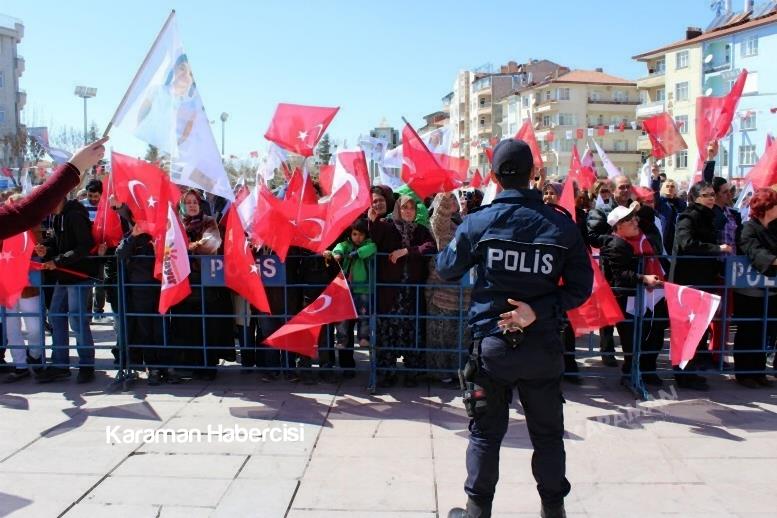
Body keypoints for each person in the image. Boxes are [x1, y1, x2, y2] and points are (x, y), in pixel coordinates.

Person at [439, 138, 593, 518]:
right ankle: (553, 510)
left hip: (492, 347)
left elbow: (446, 269)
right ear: (533, 174)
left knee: (485, 435)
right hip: (542, 347)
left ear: (493, 176)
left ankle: (478, 511)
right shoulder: (560, 224)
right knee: (548, 436)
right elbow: (580, 288)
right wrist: (537, 311)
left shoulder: (480, 221)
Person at [600, 202, 668, 389]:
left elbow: (648, 216)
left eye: (634, 217)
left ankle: (649, 371)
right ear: (618, 226)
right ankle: (631, 373)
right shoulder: (615, 244)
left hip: (655, 294)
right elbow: (620, 275)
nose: (635, 221)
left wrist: (637, 208)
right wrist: (643, 278)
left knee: (654, 334)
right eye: (629, 220)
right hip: (629, 297)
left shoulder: (644, 236)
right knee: (632, 340)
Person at [370, 195, 436, 388]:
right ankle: (387, 373)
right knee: (388, 330)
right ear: (397, 208)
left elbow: (430, 247)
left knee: (412, 330)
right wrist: (373, 220)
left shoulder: (421, 230)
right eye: (404, 207)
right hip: (390, 292)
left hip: (412, 292)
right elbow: (373, 235)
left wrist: (407, 251)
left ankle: (411, 373)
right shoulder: (388, 226)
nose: (408, 211)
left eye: (412, 208)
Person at [671, 181, 732, 390]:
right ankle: (684, 374)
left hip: (703, 278)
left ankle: (691, 371)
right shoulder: (689, 217)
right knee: (688, 329)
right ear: (695, 198)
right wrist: (717, 248)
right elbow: (686, 243)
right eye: (705, 195)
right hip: (689, 280)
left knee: (699, 328)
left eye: (712, 194)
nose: (711, 198)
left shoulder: (709, 216)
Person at [35, 192, 98, 383]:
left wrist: (58, 260)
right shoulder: (57, 217)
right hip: (64, 276)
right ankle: (60, 364)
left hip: (78, 275)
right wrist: (47, 249)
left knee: (77, 321)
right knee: (55, 315)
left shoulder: (75, 216)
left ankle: (86, 364)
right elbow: (57, 243)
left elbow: (85, 245)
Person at [0, 137, 107, 240]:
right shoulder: (58, 216)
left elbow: (26, 212)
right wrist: (74, 166)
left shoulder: (74, 215)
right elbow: (26, 213)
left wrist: (74, 166)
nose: (48, 208)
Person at [587, 175, 634, 367]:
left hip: (633, 266)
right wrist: (618, 240)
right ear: (613, 190)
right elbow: (593, 237)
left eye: (628, 186)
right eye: (621, 187)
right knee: (607, 313)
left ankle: (630, 360)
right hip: (609, 268)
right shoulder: (602, 209)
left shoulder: (636, 208)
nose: (625, 190)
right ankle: (607, 350)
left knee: (629, 316)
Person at [732, 188, 777, 388]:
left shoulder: (775, 228)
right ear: (766, 208)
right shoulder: (747, 228)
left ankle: (759, 371)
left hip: (772, 289)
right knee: (748, 329)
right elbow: (753, 251)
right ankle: (744, 373)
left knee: (765, 330)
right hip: (749, 290)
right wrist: (773, 261)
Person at [426, 192, 471, 387]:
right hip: (443, 292)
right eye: (448, 199)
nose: (452, 202)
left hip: (464, 293)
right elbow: (439, 219)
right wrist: (444, 193)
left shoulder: (464, 223)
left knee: (460, 336)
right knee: (440, 334)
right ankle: (440, 373)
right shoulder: (441, 226)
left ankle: (458, 372)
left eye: (454, 198)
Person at [325, 218, 377, 377]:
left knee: (364, 315)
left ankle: (363, 337)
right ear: (350, 234)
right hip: (346, 288)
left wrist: (358, 253)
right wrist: (338, 254)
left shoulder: (368, 244)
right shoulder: (346, 245)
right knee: (342, 318)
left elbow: (372, 247)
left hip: (363, 288)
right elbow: (338, 248)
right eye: (355, 234)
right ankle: (342, 340)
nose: (358, 238)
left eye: (361, 235)